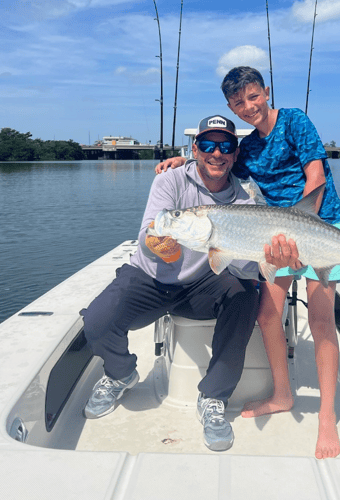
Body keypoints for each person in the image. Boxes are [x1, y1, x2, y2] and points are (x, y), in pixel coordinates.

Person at [156, 67, 340, 459]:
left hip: (318, 226)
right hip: (273, 239)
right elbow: (218, 166)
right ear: (231, 105)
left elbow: (316, 176)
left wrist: (300, 229)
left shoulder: (295, 120)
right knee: (266, 315)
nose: (248, 107)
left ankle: (326, 416)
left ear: (266, 92)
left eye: (253, 96)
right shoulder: (248, 149)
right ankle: (282, 394)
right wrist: (181, 160)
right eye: (239, 102)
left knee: (322, 319)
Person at [81, 114, 299, 453]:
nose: (216, 153)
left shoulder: (243, 201)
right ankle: (121, 373)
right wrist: (156, 244)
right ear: (195, 148)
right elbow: (149, 232)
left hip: (200, 284)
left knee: (244, 294)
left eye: (225, 146)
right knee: (96, 320)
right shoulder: (169, 180)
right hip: (149, 278)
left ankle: (214, 397)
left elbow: (241, 266)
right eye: (208, 145)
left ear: (235, 153)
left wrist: (271, 260)